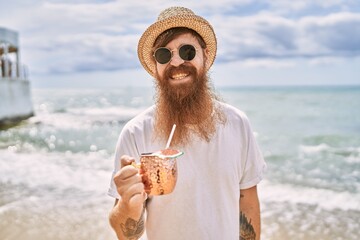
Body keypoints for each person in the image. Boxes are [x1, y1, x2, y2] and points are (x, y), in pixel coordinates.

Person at [108, 6, 266, 240]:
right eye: (164, 55)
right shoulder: (136, 132)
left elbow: (248, 202)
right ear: (156, 66)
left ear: (205, 54)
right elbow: (127, 235)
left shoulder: (237, 123)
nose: (176, 62)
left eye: (187, 51)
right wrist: (128, 205)